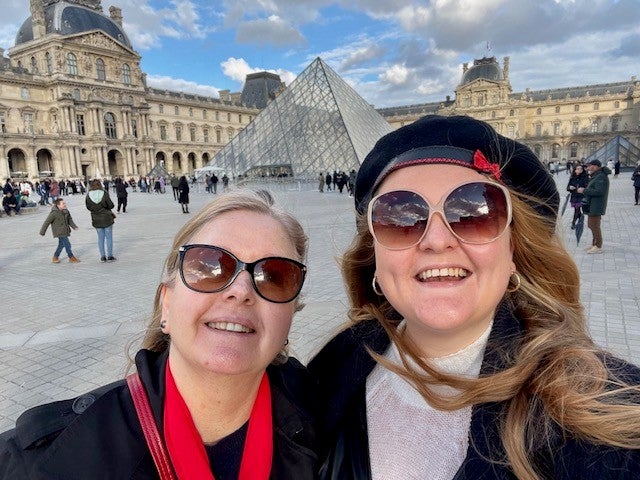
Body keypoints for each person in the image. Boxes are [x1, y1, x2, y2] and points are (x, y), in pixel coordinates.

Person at [308, 115, 640, 480]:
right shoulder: (330, 368)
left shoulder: (610, 418)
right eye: (401, 218)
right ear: (374, 256)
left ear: (514, 248)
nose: (436, 240)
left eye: (474, 213)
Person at [0, 190, 317, 479]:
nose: (241, 290)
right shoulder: (37, 464)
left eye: (275, 275)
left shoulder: (339, 429)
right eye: (208, 265)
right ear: (167, 304)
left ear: (291, 313)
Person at [580, 159, 611, 254]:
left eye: (589, 166)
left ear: (596, 166)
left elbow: (599, 192)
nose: (588, 168)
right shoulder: (596, 176)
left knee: (594, 226)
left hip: (596, 205)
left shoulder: (601, 177)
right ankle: (594, 244)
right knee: (591, 225)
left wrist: (584, 190)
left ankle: (598, 246)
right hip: (592, 204)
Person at [39, 198, 80, 263]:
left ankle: (55, 256)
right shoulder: (53, 213)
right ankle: (71, 257)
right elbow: (47, 222)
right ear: (58, 205)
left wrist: (74, 227)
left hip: (65, 230)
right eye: (63, 203)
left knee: (61, 244)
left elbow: (70, 220)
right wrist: (42, 232)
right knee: (67, 244)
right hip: (59, 231)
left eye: (64, 203)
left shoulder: (66, 211)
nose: (65, 204)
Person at [85, 179, 116, 262]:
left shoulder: (88, 195)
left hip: (96, 219)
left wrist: (95, 209)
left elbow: (88, 207)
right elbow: (111, 205)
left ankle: (102, 256)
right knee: (109, 238)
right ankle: (110, 256)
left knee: (100, 238)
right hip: (107, 218)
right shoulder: (104, 193)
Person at [566, 163, 588, 229]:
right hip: (574, 196)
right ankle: (580, 216)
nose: (579, 170)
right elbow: (567, 188)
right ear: (575, 170)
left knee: (577, 209)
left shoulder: (585, 177)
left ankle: (573, 223)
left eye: (581, 169)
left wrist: (584, 189)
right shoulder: (572, 177)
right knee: (577, 209)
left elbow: (588, 187)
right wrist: (570, 188)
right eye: (578, 169)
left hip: (581, 196)